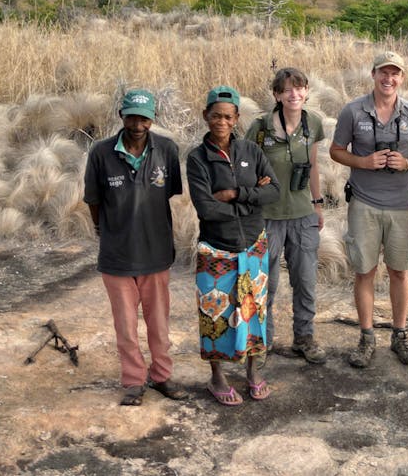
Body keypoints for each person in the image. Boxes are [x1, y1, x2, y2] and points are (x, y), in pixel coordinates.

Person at [83, 89, 189, 406]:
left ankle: (161, 377)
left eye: (144, 118)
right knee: (126, 327)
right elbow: (93, 200)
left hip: (156, 254)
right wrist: (105, 230)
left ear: (153, 119)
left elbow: (168, 194)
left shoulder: (167, 150)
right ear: (121, 116)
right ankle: (133, 381)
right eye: (132, 116)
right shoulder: (101, 153)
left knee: (159, 324)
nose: (137, 124)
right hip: (116, 256)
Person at [330, 51, 408, 368]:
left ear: (402, 78)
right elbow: (335, 150)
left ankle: (399, 334)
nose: (389, 79)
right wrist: (362, 162)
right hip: (364, 203)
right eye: (383, 73)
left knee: (399, 271)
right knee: (364, 271)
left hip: (402, 205)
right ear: (373, 74)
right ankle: (366, 337)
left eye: (395, 74)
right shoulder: (353, 111)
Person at [187, 85, 280, 405]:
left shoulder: (252, 153)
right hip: (216, 249)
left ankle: (253, 372)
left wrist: (236, 194)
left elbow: (274, 192)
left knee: (255, 312)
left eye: (228, 116)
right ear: (205, 117)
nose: (221, 122)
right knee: (215, 315)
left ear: (237, 118)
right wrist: (253, 197)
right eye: (215, 116)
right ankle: (217, 377)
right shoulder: (198, 158)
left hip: (253, 246)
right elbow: (206, 209)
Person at [245, 67, 328, 364]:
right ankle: (262, 340)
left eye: (299, 88)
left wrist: (318, 204)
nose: (294, 94)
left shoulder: (314, 123)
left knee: (305, 279)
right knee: (266, 282)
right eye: (286, 90)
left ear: (306, 91)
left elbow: (314, 165)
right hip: (267, 216)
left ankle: (304, 337)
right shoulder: (260, 127)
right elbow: (245, 168)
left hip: (303, 214)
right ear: (277, 95)